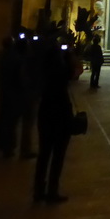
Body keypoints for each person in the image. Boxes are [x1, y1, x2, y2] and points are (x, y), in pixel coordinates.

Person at [34, 39, 77, 204]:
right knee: (58, 156)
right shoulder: (61, 73)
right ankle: (52, 190)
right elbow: (74, 72)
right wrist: (70, 55)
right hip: (60, 116)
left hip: (45, 114)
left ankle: (38, 190)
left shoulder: (44, 73)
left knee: (43, 155)